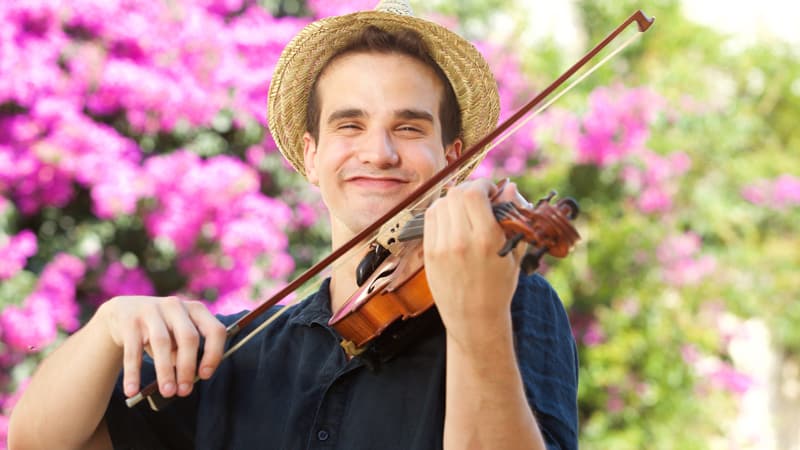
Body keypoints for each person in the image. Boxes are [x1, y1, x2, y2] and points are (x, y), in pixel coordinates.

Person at [8, 1, 578, 449]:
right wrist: (108, 324)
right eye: (349, 125)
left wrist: (477, 321)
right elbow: (40, 440)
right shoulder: (235, 355)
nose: (377, 152)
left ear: (454, 159)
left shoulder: (511, 309)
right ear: (310, 156)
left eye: (408, 128)